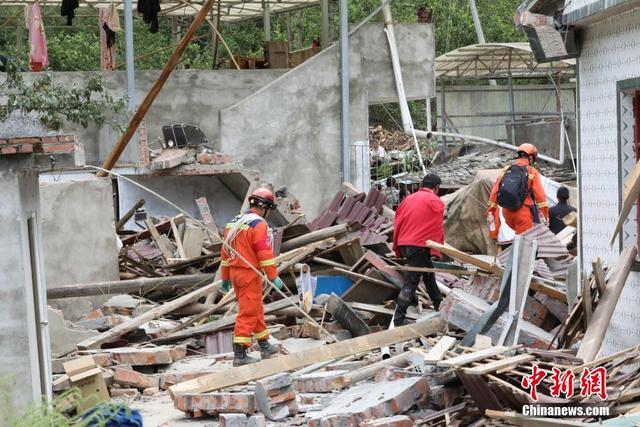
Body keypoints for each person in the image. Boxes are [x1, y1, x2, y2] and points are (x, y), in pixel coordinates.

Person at [220, 188, 286, 366]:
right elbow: (264, 253)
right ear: (264, 207)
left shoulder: (233, 223)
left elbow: (225, 254)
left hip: (235, 273)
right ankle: (240, 354)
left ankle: (264, 345)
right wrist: (273, 276)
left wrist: (225, 278)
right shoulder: (258, 224)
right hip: (248, 273)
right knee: (248, 312)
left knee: (255, 308)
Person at [392, 173, 445, 325]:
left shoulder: (408, 199)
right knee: (411, 282)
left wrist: (397, 246)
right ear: (436, 187)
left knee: (429, 276)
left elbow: (398, 220)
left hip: (406, 243)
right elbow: (437, 228)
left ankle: (439, 307)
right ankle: (398, 319)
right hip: (420, 245)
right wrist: (436, 250)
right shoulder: (436, 201)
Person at [487, 143, 549, 240]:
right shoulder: (532, 171)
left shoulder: (506, 170)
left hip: (506, 212)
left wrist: (491, 210)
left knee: (518, 239)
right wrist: (545, 217)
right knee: (524, 245)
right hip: (522, 213)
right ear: (531, 157)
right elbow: (540, 197)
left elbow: (494, 192)